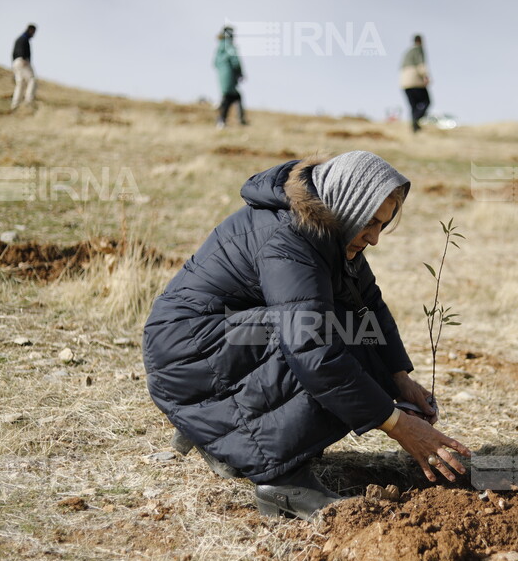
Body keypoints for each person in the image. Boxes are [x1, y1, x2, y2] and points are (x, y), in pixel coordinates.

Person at [142, 151, 471, 521]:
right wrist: (396, 424)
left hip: (221, 337)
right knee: (330, 342)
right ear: (349, 203)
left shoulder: (331, 229)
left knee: (357, 334)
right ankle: (283, 481)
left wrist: (399, 378)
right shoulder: (288, 237)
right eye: (371, 222)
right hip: (190, 352)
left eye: (383, 225)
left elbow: (366, 303)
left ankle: (218, 427)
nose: (375, 238)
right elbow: (312, 349)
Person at [214, 26, 246, 128]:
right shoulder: (228, 46)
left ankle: (222, 120)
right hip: (229, 75)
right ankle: (237, 120)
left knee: (229, 96)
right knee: (233, 96)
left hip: (222, 76)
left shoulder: (219, 48)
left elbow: (214, 63)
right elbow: (235, 60)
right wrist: (240, 72)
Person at [400, 35, 431, 133]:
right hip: (415, 81)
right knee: (427, 101)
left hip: (404, 82)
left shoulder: (407, 52)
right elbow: (421, 64)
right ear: (420, 41)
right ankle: (416, 120)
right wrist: (425, 76)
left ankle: (415, 128)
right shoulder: (419, 49)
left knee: (413, 106)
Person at [11, 24, 37, 111]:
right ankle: (28, 102)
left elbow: (13, 53)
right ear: (30, 30)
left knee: (20, 84)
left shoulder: (19, 39)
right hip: (22, 61)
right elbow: (21, 50)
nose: (34, 34)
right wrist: (24, 59)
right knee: (32, 80)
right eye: (33, 32)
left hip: (15, 63)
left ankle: (15, 104)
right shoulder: (24, 39)